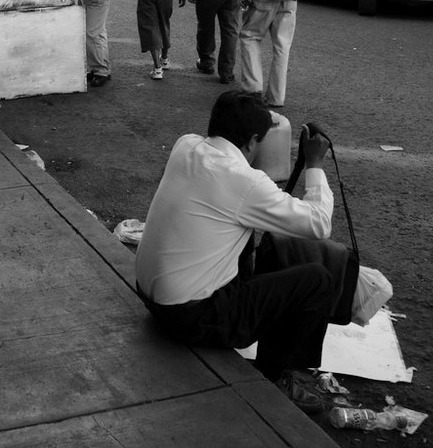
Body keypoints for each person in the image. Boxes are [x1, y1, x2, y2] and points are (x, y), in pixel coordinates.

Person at [134, 90, 337, 412]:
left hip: (150, 296)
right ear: (254, 140)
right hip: (190, 317)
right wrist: (313, 165)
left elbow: (234, 193)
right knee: (318, 280)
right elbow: (318, 224)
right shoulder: (245, 181)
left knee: (243, 234)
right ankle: (274, 376)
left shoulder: (185, 144)